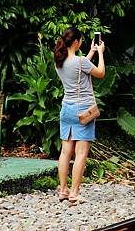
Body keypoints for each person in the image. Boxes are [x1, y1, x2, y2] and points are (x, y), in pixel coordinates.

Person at [53, 26, 105, 204]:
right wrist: (101, 53)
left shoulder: (59, 61)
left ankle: (63, 190)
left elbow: (79, 69)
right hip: (83, 111)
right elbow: (100, 73)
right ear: (75, 42)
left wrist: (91, 52)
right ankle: (75, 193)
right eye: (80, 40)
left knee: (65, 152)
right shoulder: (80, 61)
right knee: (81, 153)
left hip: (66, 109)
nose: (81, 43)